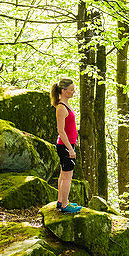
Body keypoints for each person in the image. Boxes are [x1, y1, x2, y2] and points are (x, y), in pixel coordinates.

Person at [51, 79, 82, 213]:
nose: (74, 91)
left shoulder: (66, 105)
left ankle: (61, 201)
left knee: (63, 174)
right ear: (64, 91)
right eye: (71, 89)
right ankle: (64, 205)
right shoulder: (61, 108)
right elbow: (61, 131)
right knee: (68, 176)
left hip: (68, 145)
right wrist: (70, 149)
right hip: (65, 146)